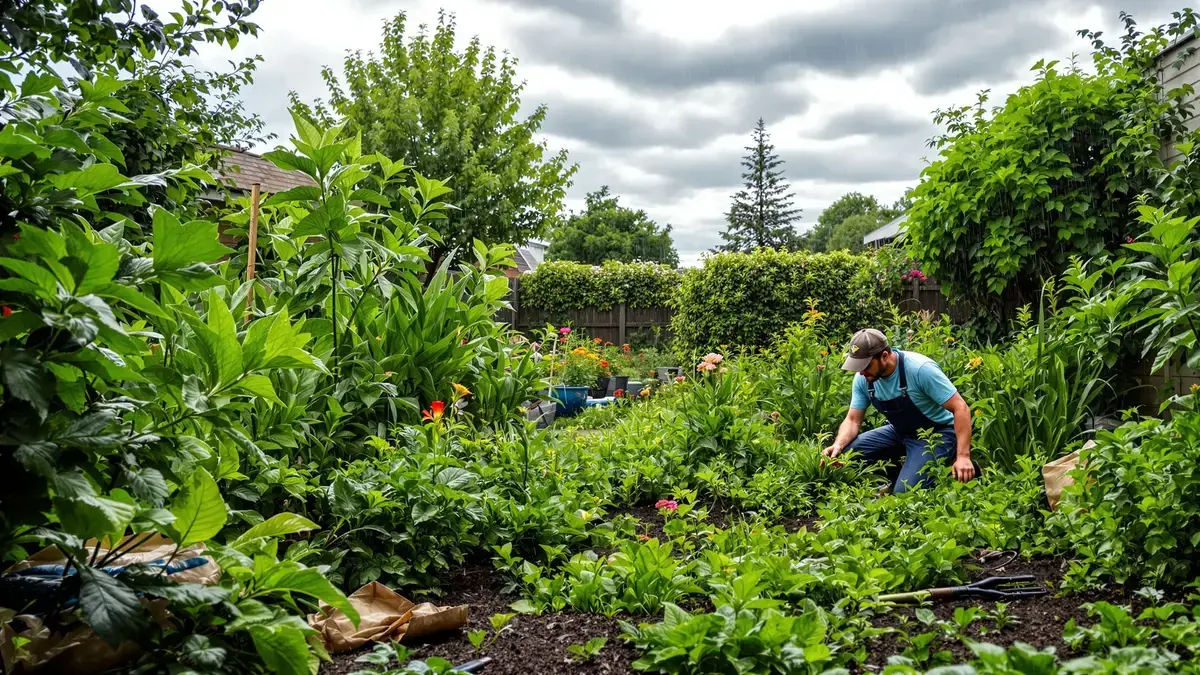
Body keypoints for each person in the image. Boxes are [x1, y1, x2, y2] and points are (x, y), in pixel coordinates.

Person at [821, 328, 975, 493]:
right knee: (848, 455)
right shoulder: (864, 378)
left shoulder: (919, 369)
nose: (861, 372)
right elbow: (853, 420)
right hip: (900, 431)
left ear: (885, 356)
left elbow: (961, 408)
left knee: (905, 492)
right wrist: (837, 445)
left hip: (937, 432)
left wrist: (963, 456)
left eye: (866, 366)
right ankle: (896, 478)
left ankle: (953, 463)